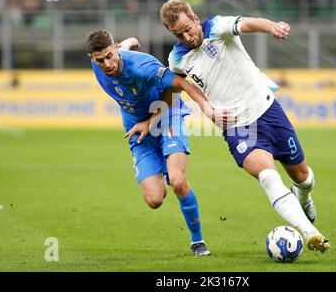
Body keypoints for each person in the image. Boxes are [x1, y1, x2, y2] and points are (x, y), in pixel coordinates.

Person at [153, 0, 331, 252]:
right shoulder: (177, 58)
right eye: (178, 34)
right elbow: (182, 85)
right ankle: (311, 233)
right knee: (268, 177)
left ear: (195, 18)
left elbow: (248, 23)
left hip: (268, 110)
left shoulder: (217, 26)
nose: (187, 37)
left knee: (303, 177)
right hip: (237, 126)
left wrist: (272, 27)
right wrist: (206, 107)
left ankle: (304, 196)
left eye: (188, 28)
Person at [86, 30, 231, 256]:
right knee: (154, 199)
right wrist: (128, 42)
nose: (107, 64)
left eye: (110, 56)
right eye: (100, 60)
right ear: (92, 59)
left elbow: (179, 84)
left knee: (178, 181)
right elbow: (116, 51)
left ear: (115, 48)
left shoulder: (143, 66)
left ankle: (197, 241)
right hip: (137, 130)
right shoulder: (101, 62)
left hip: (166, 115)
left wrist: (207, 109)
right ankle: (162, 166)